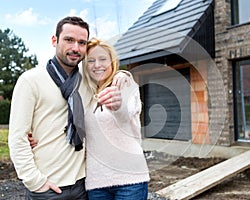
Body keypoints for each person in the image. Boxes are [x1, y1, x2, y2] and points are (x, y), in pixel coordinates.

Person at [8, 16, 125, 200]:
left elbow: (118, 105)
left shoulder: (89, 81)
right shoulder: (30, 81)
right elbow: (17, 138)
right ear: (54, 40)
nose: (75, 48)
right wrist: (35, 182)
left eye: (82, 42)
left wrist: (122, 86)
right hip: (47, 188)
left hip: (83, 184)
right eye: (69, 40)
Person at [82, 37, 150, 199]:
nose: (97, 65)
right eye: (91, 60)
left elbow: (127, 112)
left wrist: (118, 104)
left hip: (130, 180)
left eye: (103, 59)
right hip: (96, 182)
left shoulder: (124, 83)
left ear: (112, 62)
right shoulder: (85, 95)